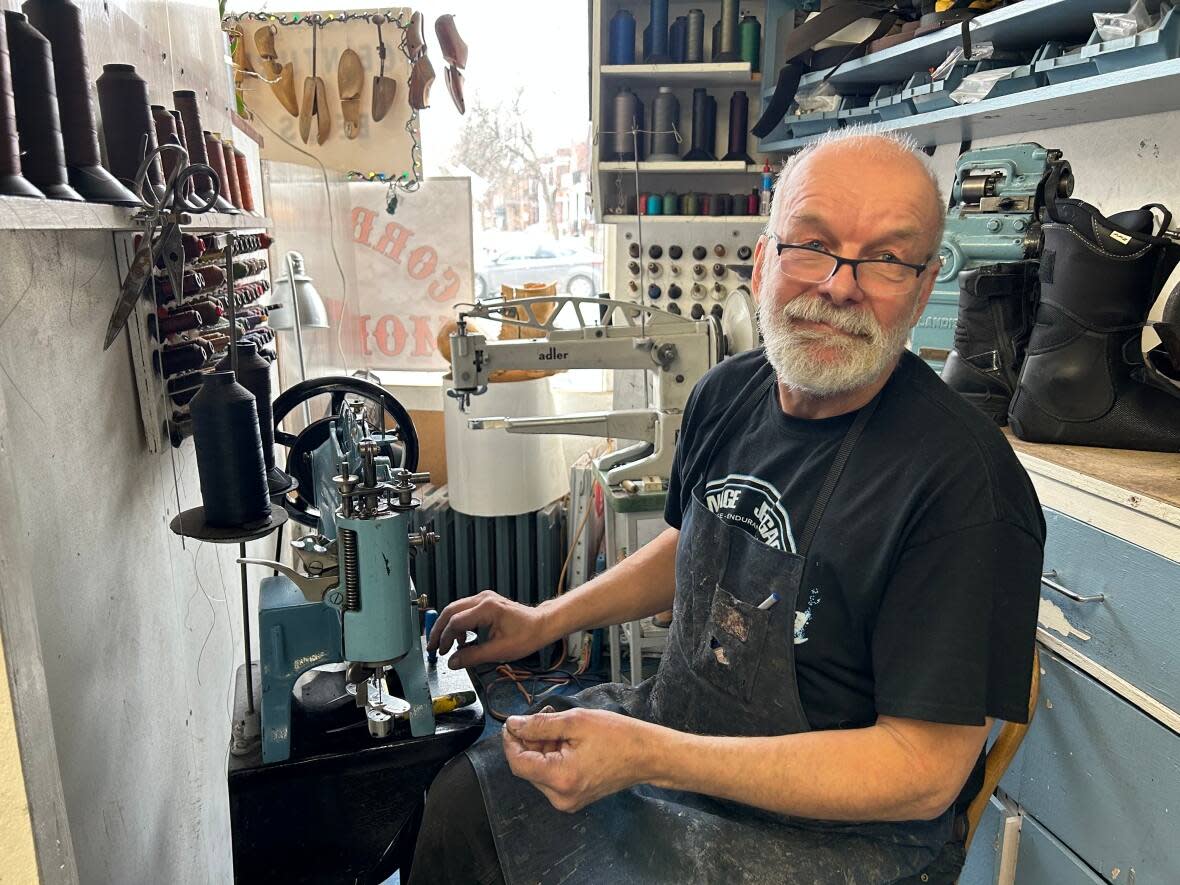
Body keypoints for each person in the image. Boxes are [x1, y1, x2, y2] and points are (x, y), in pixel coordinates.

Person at [408, 129, 1044, 885]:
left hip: (838, 839)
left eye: (885, 258)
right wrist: (547, 618)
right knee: (461, 802)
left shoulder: (964, 485)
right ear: (763, 259)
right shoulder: (728, 393)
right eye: (812, 244)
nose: (841, 286)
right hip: (682, 738)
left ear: (926, 280)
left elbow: (924, 771)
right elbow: (698, 544)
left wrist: (649, 754)